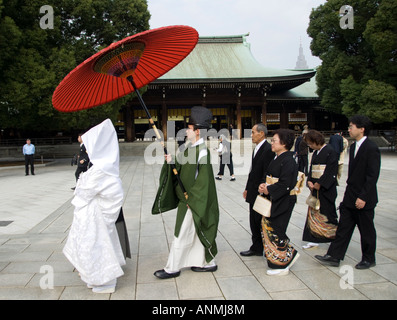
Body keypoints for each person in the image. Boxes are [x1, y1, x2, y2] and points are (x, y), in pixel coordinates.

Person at [152, 106, 219, 279]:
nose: (186, 132)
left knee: (181, 232)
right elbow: (181, 166)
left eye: (188, 129)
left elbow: (204, 183)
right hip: (189, 198)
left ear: (197, 131)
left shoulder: (202, 152)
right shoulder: (191, 148)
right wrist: (171, 161)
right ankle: (208, 262)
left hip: (193, 200)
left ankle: (172, 268)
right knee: (195, 230)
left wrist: (192, 199)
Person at [63, 119, 126, 293]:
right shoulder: (106, 165)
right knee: (99, 244)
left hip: (98, 215)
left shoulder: (100, 170)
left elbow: (83, 192)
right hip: (100, 213)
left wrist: (82, 185)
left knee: (96, 245)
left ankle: (104, 280)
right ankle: (95, 277)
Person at [315, 115, 381, 269]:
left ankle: (369, 258)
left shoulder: (371, 148)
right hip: (351, 196)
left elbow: (372, 176)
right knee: (344, 227)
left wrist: (363, 197)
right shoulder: (353, 147)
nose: (349, 129)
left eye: (352, 126)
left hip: (364, 198)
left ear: (362, 129)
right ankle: (334, 255)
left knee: (366, 230)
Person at [258, 129, 299, 276]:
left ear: (284, 143)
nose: (272, 143)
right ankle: (284, 255)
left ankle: (281, 265)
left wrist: (269, 189)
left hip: (284, 199)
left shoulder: (289, 159)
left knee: (277, 229)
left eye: (274, 140)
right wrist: (263, 185)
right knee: (271, 227)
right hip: (274, 197)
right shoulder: (277, 157)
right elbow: (268, 175)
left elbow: (287, 183)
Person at [240, 123, 274, 257]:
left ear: (261, 133)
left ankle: (262, 246)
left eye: (253, 132)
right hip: (253, 190)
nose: (251, 135)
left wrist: (262, 188)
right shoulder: (257, 149)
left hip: (261, 191)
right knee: (253, 219)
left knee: (260, 219)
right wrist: (247, 188)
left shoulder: (268, 149)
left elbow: (267, 171)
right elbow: (252, 171)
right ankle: (256, 246)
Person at [302, 130, 339, 249]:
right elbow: (311, 168)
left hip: (326, 188)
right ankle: (314, 237)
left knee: (328, 212)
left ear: (317, 141)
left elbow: (331, 171)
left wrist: (320, 183)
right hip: (315, 188)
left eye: (311, 143)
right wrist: (309, 181)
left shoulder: (331, 151)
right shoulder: (316, 153)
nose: (310, 146)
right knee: (314, 213)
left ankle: (333, 235)